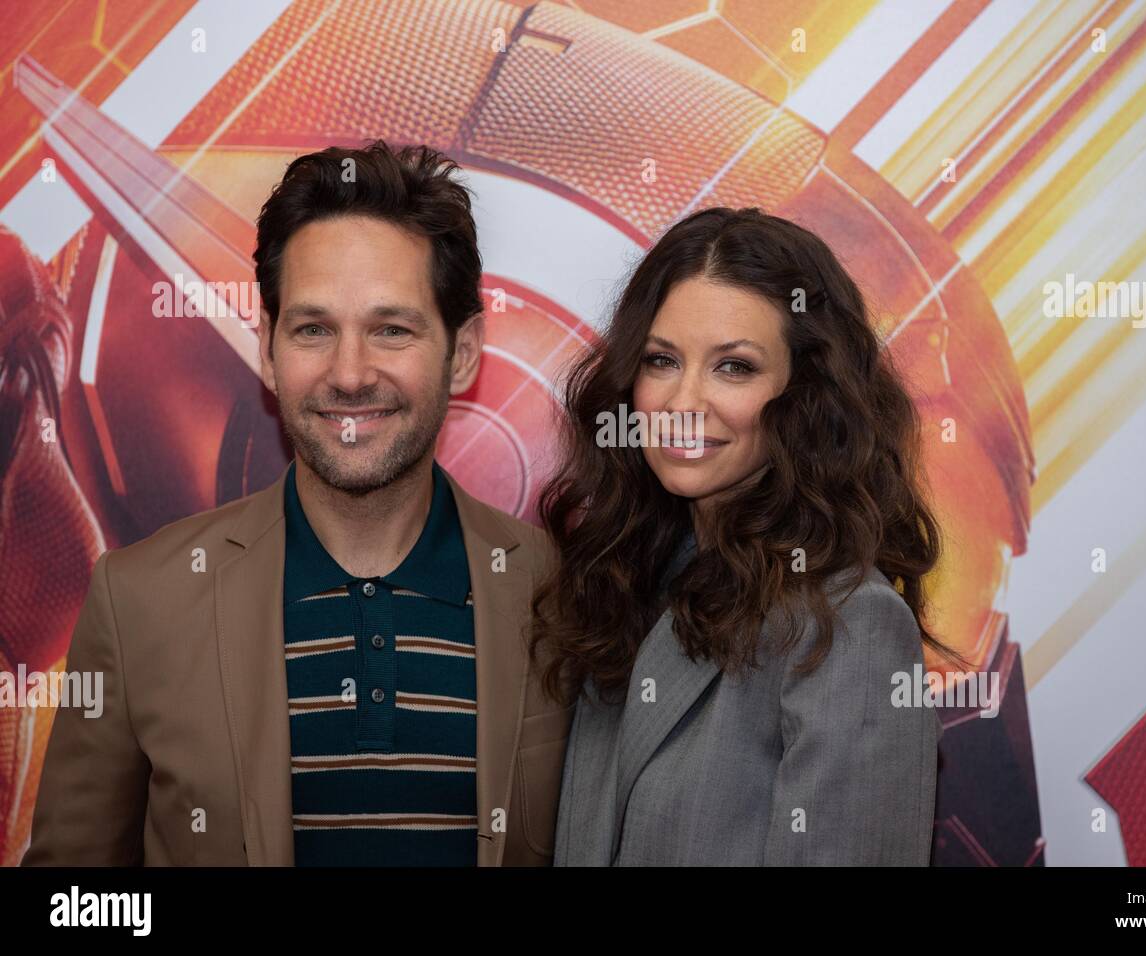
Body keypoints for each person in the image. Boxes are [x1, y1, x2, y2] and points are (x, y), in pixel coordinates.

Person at [23, 141, 568, 866]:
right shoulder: (138, 600)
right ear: (267, 351)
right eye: (313, 329)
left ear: (462, 351)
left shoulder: (566, 596)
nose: (349, 374)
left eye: (392, 329)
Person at [532, 206, 965, 866]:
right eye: (661, 360)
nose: (683, 403)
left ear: (805, 395)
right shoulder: (623, 588)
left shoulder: (850, 621)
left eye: (733, 368)